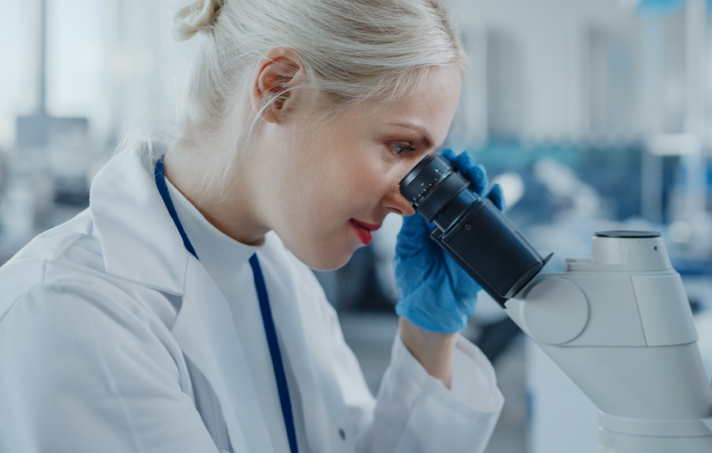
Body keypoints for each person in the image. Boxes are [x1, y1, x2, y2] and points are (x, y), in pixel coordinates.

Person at [0, 0, 506, 452]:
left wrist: (428, 336)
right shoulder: (71, 310)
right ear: (280, 88)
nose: (412, 202)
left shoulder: (284, 279)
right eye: (401, 148)